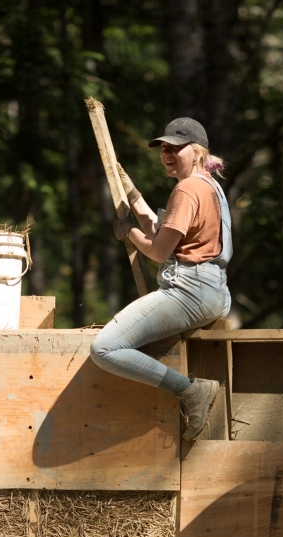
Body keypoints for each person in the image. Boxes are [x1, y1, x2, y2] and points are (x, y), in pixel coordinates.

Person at [90, 117, 233, 441]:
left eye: (176, 148)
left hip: (190, 290)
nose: (168, 154)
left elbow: (156, 250)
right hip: (213, 290)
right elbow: (162, 229)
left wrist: (129, 233)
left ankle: (190, 391)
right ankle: (190, 391)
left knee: (105, 348)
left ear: (197, 151)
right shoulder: (209, 185)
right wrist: (133, 194)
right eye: (164, 148)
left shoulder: (187, 189)